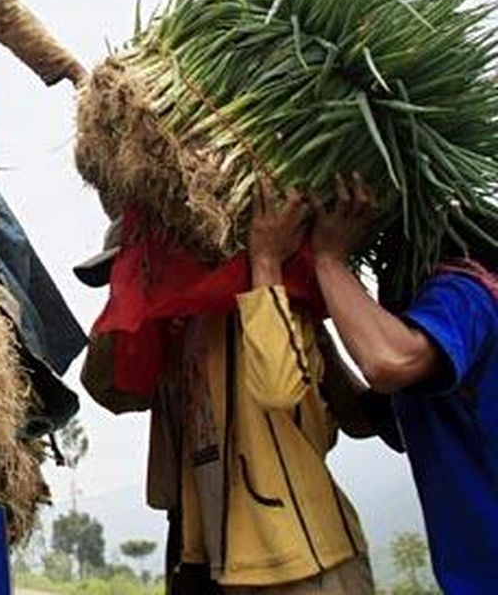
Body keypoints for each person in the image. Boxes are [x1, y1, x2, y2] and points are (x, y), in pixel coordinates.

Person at [78, 188, 378, 593]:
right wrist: (126, 300)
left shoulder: (257, 306)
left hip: (303, 560)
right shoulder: (178, 339)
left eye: (135, 269)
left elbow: (282, 391)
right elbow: (110, 391)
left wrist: (267, 260)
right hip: (223, 560)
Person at [303, 173, 498, 594]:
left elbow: (388, 361)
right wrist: (317, 335)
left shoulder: (468, 291)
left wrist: (328, 259)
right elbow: (365, 419)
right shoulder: (442, 358)